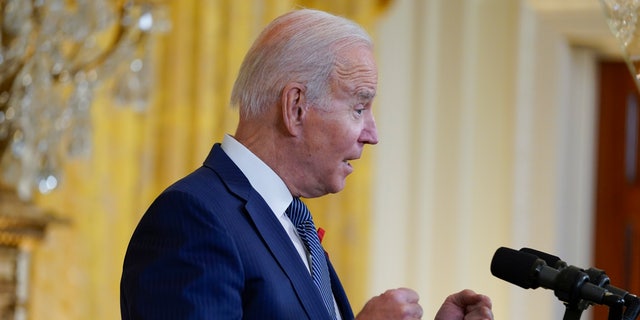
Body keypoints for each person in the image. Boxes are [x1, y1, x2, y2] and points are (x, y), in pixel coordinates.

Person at [120, 8, 494, 320]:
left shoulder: (290, 220)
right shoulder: (192, 219)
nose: (372, 134)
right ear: (295, 107)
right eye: (359, 107)